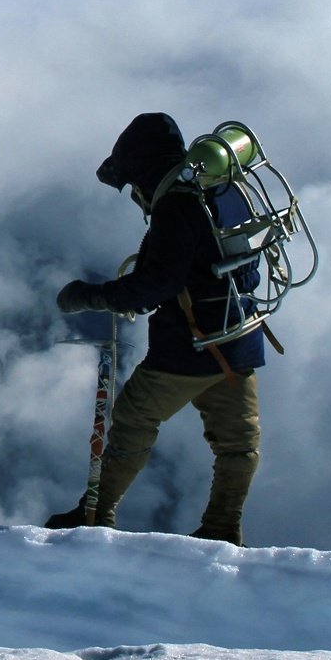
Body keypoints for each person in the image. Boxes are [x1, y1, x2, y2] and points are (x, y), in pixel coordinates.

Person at [46, 112, 265, 545]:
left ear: (145, 169)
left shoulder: (177, 206)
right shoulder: (221, 188)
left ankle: (96, 513)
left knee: (133, 419)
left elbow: (152, 287)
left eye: (133, 185)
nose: (137, 196)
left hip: (189, 347)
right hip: (240, 334)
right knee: (238, 441)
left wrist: (88, 296)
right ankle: (223, 527)